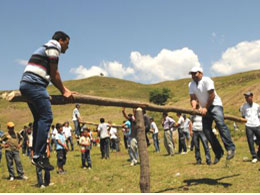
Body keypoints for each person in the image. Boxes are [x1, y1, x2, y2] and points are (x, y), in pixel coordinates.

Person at [19, 31, 75, 171]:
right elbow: (54, 74)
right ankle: (39, 155)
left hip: (27, 85)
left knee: (39, 118)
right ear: (61, 40)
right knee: (47, 117)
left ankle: (37, 155)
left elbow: (54, 74)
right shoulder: (54, 47)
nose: (67, 47)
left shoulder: (46, 47)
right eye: (67, 43)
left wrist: (66, 90)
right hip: (35, 85)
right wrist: (64, 91)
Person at [188, 66, 235, 164]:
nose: (193, 76)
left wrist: (205, 107)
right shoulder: (191, 84)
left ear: (201, 73)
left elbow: (212, 95)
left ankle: (230, 148)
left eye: (195, 73)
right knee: (206, 130)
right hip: (205, 108)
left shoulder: (207, 80)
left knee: (220, 124)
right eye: (192, 74)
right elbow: (193, 98)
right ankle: (218, 152)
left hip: (215, 105)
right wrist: (194, 108)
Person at [240, 92, 260, 163]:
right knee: (250, 141)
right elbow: (242, 116)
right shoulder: (243, 107)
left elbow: (258, 115)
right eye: (245, 97)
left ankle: (259, 154)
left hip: (257, 125)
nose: (247, 98)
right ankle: (254, 156)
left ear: (252, 97)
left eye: (248, 97)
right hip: (248, 126)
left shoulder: (257, 106)